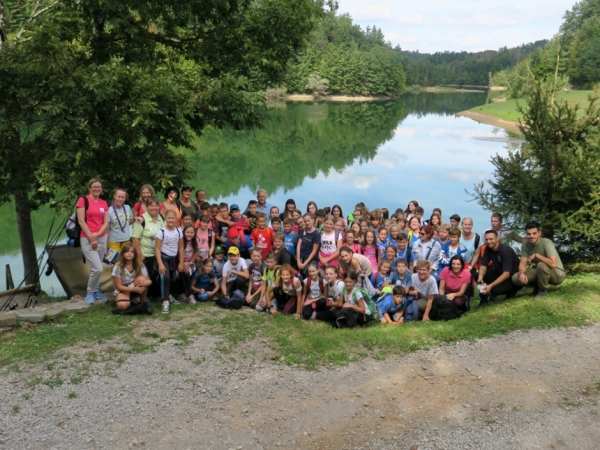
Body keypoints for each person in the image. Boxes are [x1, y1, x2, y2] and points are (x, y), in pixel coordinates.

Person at [511, 220, 566, 299]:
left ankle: (542, 290)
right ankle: (538, 286)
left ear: (539, 233)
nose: (531, 236)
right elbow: (522, 263)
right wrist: (521, 273)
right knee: (515, 278)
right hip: (542, 271)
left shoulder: (547, 242)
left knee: (541, 265)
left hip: (557, 274)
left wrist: (537, 256)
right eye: (529, 234)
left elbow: (553, 264)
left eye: (534, 233)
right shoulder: (525, 244)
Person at [77, 178, 110, 304]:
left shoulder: (103, 203)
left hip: (101, 237)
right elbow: (81, 221)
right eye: (94, 187)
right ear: (89, 188)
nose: (97, 189)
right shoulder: (83, 201)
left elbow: (106, 222)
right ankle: (90, 292)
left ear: (101, 189)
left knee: (96, 267)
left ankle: (96, 291)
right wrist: (91, 236)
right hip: (87, 238)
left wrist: (98, 234)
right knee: (98, 269)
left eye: (99, 187)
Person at [132, 197, 165, 299]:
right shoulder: (141, 220)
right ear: (147, 207)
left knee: (156, 276)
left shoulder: (162, 218)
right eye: (151, 206)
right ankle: (143, 297)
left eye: (156, 206)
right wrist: (140, 255)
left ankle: (156, 295)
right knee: (146, 277)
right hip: (145, 254)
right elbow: (135, 238)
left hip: (158, 253)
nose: (154, 208)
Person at [477, 230, 520, 307]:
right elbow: (483, 265)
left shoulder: (505, 250)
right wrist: (480, 276)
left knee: (494, 290)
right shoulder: (488, 248)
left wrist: (491, 285)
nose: (488, 241)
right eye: (486, 239)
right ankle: (483, 300)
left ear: (497, 238)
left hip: (512, 278)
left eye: (491, 239)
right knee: (477, 276)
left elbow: (507, 274)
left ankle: (511, 291)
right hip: (499, 272)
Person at [155, 209, 185, 313]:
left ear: (176, 219)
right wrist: (160, 263)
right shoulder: (161, 231)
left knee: (171, 278)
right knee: (165, 277)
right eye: (169, 218)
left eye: (173, 218)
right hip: (164, 257)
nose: (171, 220)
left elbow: (181, 247)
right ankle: (165, 301)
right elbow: (157, 249)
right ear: (165, 219)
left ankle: (169, 295)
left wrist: (181, 262)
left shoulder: (178, 231)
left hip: (174, 258)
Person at [111, 243, 152, 311]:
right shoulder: (117, 266)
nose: (129, 253)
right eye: (127, 251)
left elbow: (149, 280)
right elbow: (119, 286)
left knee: (142, 279)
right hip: (123, 289)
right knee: (123, 306)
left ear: (135, 254)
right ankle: (130, 299)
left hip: (134, 284)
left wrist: (147, 283)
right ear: (123, 254)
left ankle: (143, 301)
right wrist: (133, 289)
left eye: (132, 252)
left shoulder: (140, 264)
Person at [106, 188, 135, 260]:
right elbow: (107, 228)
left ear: (125, 198)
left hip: (126, 240)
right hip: (113, 241)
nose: (120, 199)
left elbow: (129, 222)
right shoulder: (109, 210)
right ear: (114, 196)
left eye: (123, 197)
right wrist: (105, 244)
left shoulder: (127, 207)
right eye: (119, 197)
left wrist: (135, 219)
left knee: (127, 262)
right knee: (116, 263)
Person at [178, 225, 198, 304]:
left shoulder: (195, 241)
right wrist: (182, 263)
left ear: (194, 233)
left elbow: (196, 252)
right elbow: (179, 253)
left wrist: (190, 263)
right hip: (181, 261)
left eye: (191, 232)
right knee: (182, 272)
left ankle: (188, 294)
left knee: (186, 272)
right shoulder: (181, 241)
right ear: (184, 233)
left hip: (190, 262)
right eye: (187, 232)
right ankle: (185, 294)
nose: (189, 234)